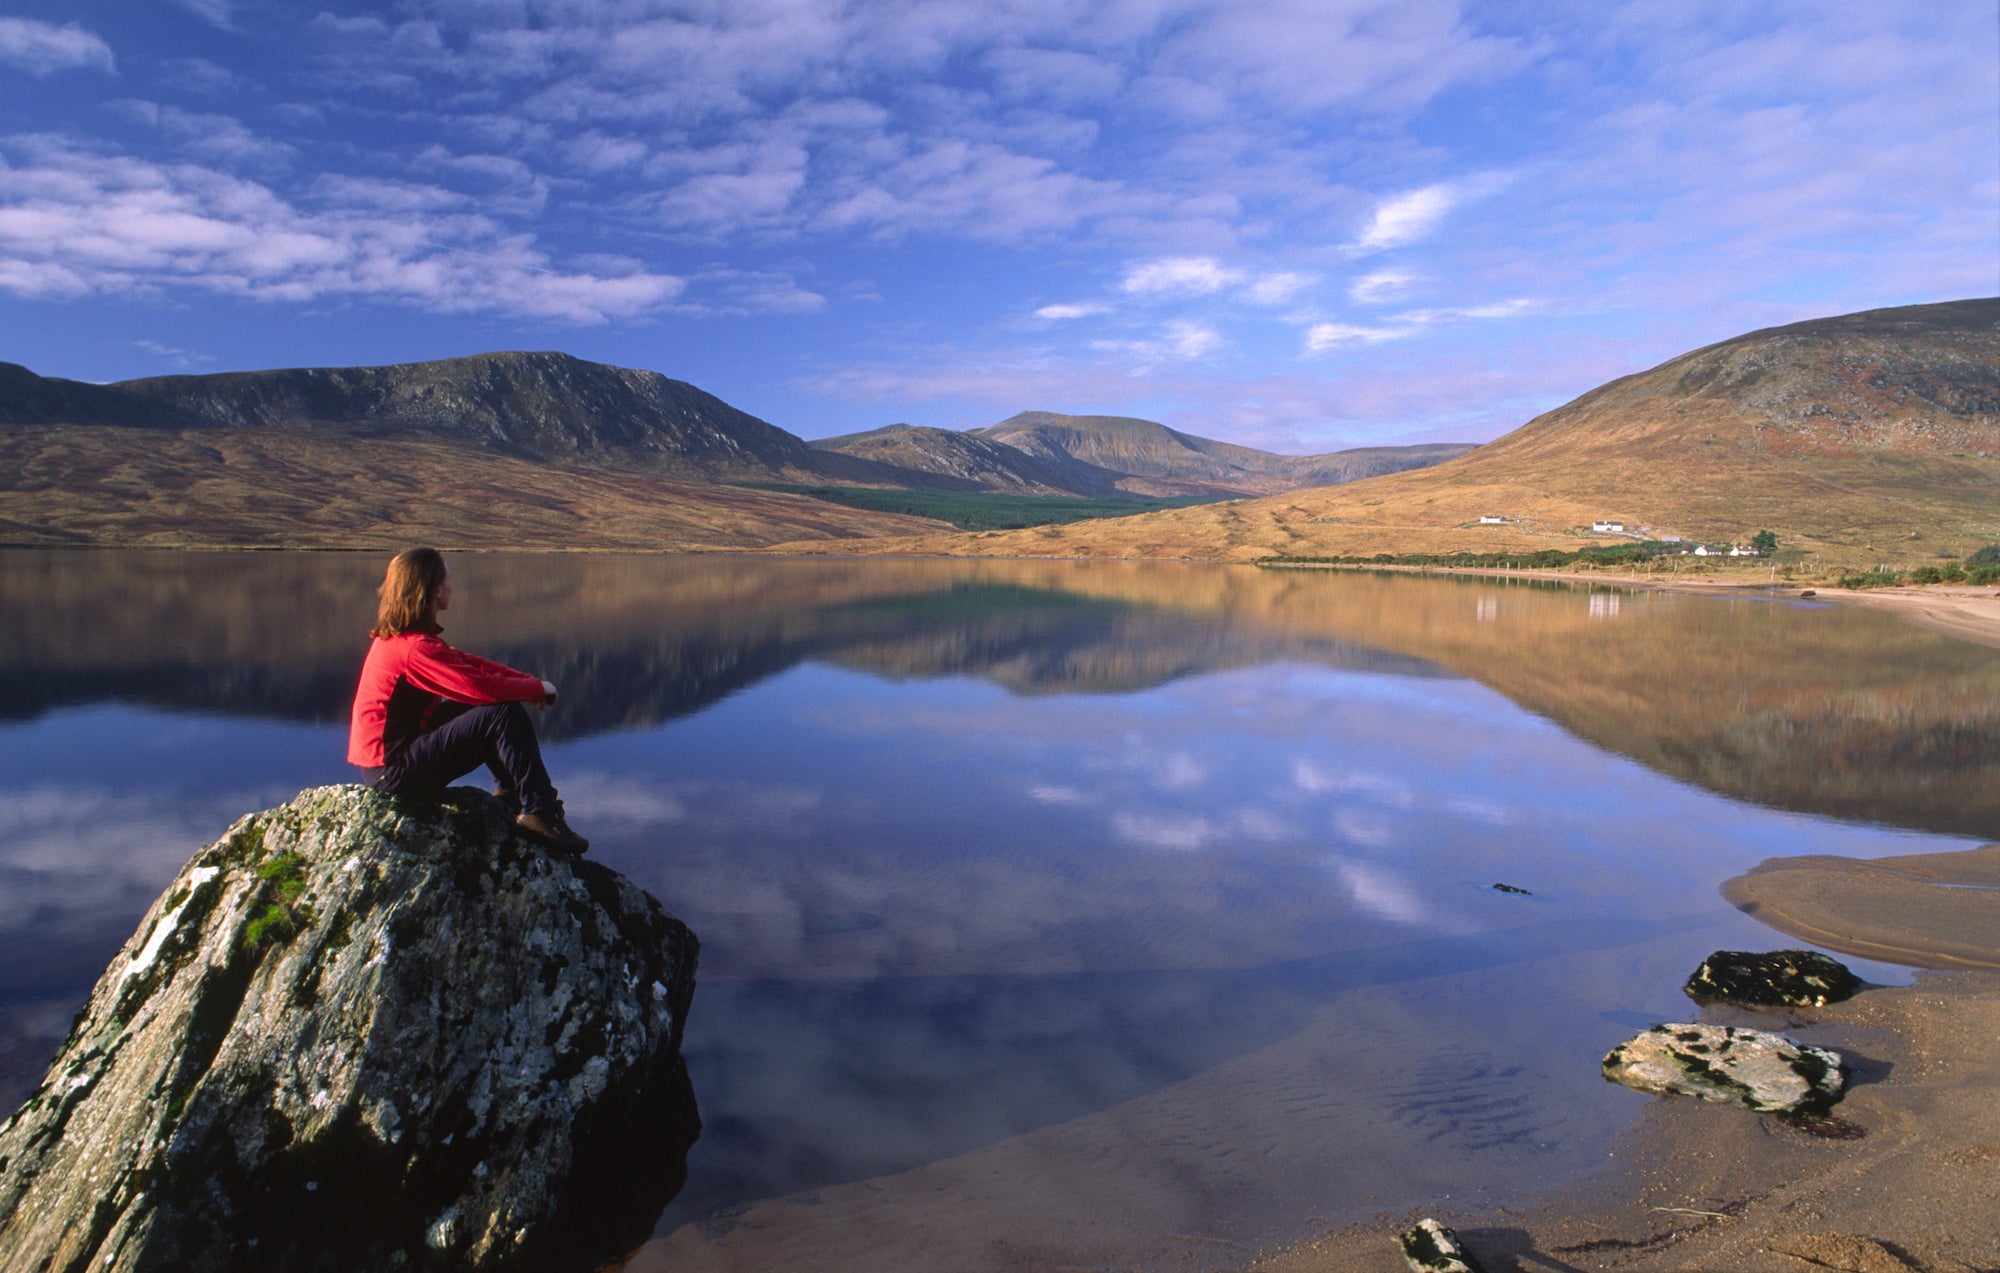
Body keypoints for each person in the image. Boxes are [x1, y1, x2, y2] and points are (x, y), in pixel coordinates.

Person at [347, 546, 588, 854]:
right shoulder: (414, 649)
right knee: (499, 713)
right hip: (392, 773)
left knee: (491, 708)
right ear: (433, 590)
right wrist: (533, 690)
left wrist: (532, 684)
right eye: (448, 578)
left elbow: (472, 665)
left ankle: (513, 793)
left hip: (390, 762)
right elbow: (478, 686)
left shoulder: (405, 641)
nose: (452, 584)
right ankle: (540, 812)